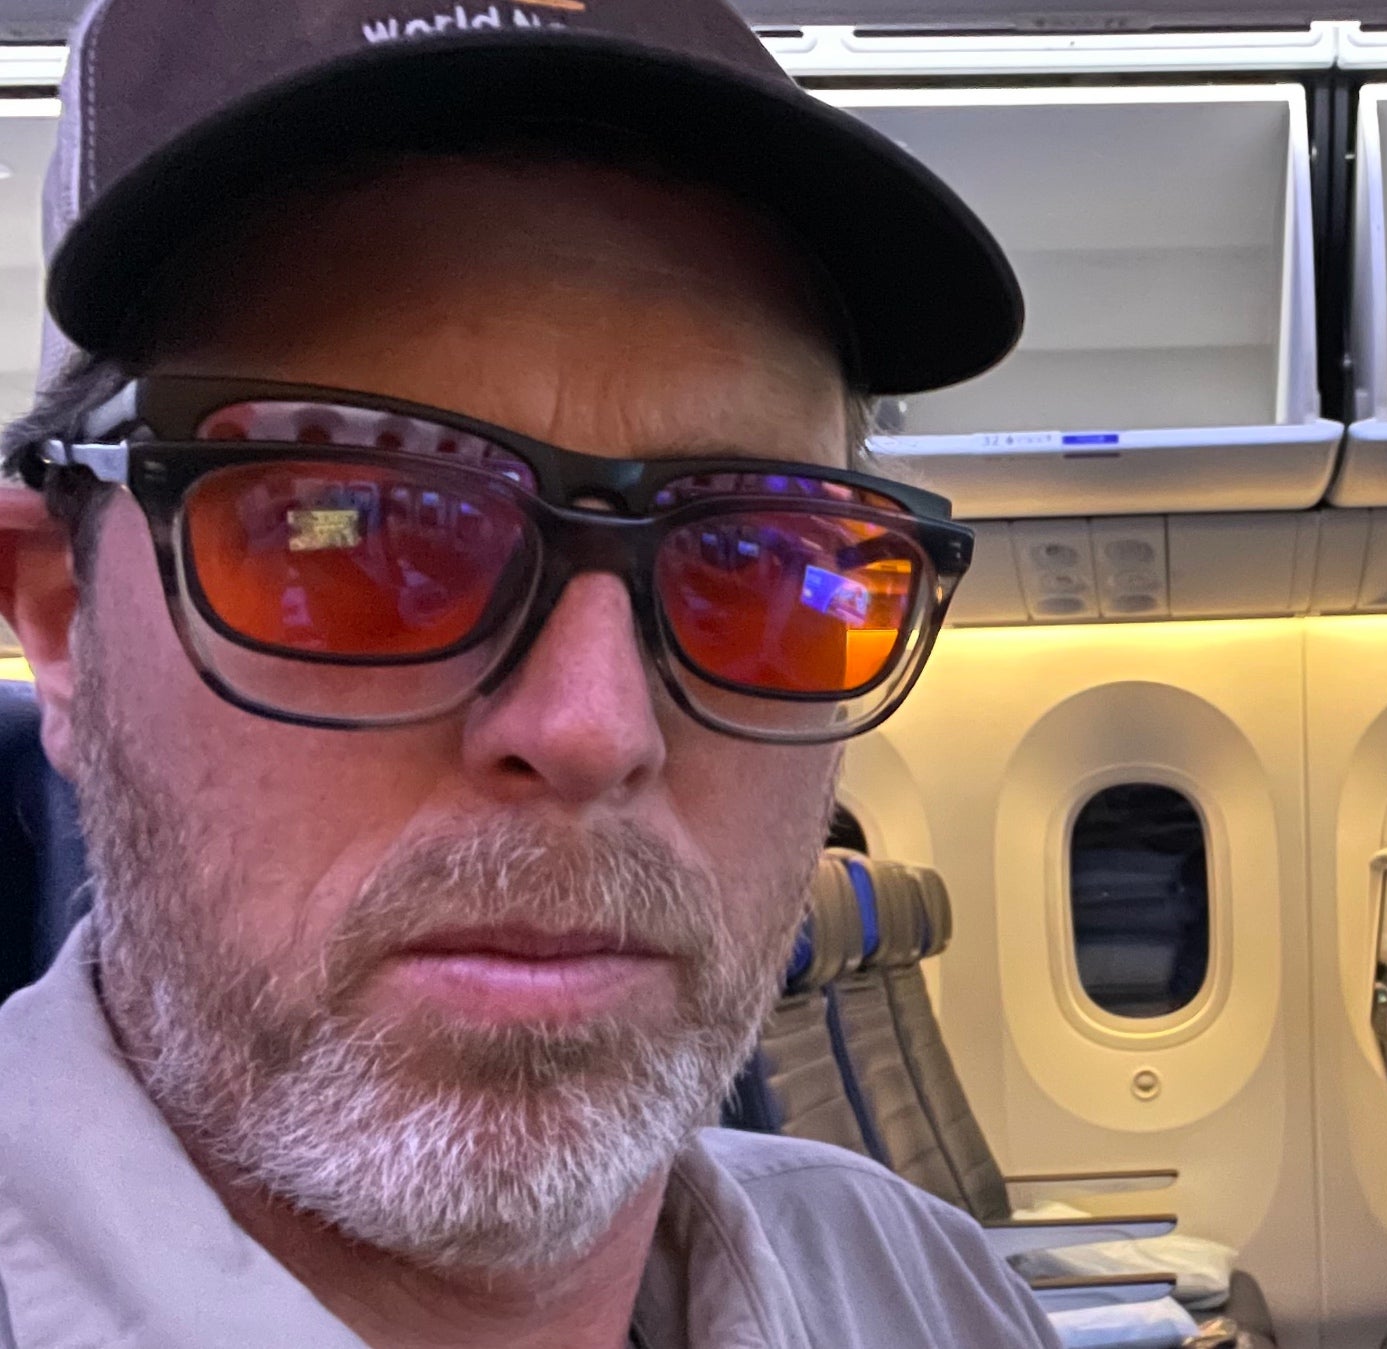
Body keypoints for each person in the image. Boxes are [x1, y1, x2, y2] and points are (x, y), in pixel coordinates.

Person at [0, 0, 1059, 1345]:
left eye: (750, 565)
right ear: (64, 619)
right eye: (368, 532)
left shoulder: (922, 1293)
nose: (592, 726)